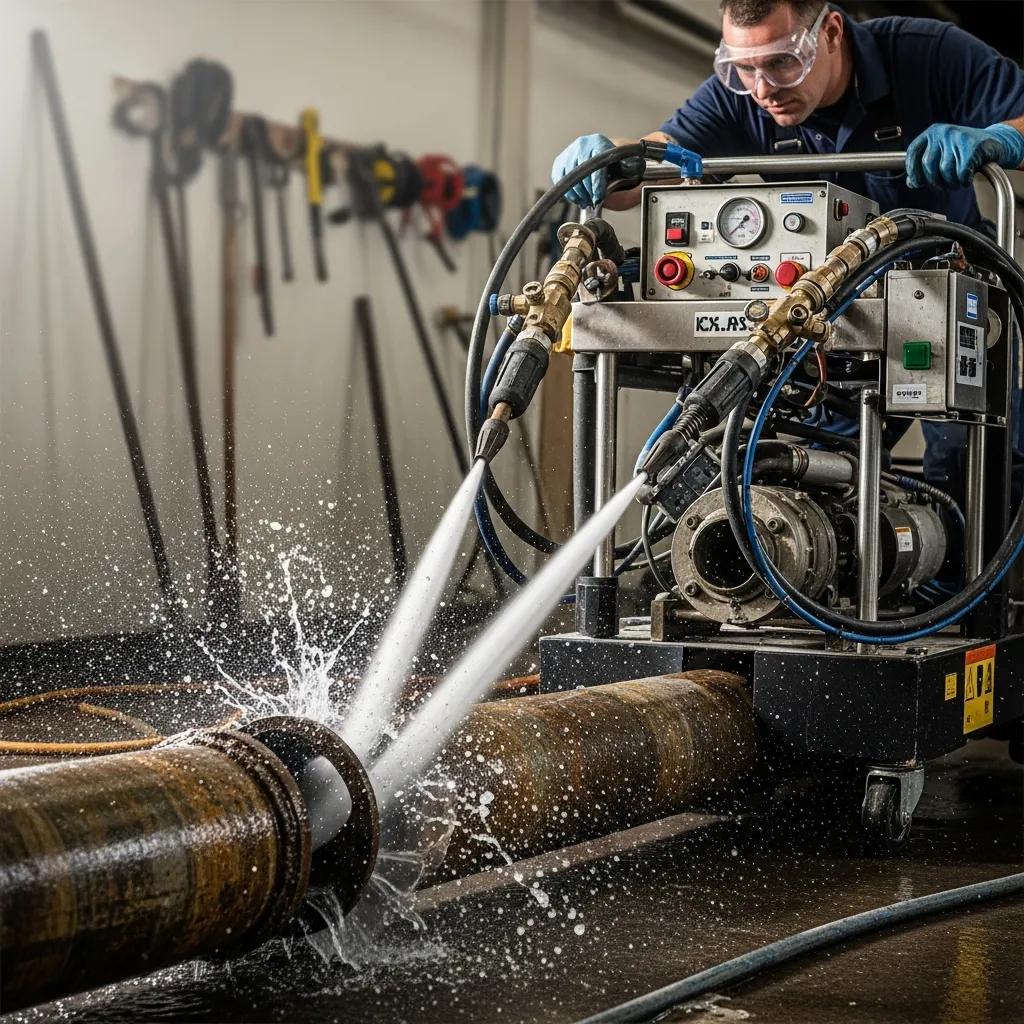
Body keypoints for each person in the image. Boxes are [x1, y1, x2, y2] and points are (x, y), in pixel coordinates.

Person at [551, 0, 1024, 519]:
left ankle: (959, 596)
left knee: (968, 474)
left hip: (943, 310)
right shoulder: (744, 100)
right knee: (816, 476)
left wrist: (1000, 137)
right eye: (743, 69)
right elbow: (655, 162)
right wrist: (612, 159)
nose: (762, 88)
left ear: (831, 33)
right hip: (827, 329)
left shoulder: (927, 54)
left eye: (781, 63)